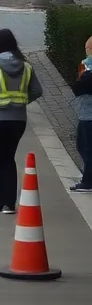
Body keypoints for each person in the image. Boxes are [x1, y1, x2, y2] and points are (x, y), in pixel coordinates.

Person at [0, 29, 43, 212]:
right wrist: (21, 101)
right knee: (9, 159)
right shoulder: (26, 66)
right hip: (17, 120)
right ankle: (9, 203)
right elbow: (37, 91)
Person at [70, 36, 92, 193]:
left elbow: (79, 87)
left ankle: (88, 181)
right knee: (82, 146)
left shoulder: (88, 70)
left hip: (89, 114)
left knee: (87, 147)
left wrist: (83, 75)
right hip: (85, 113)